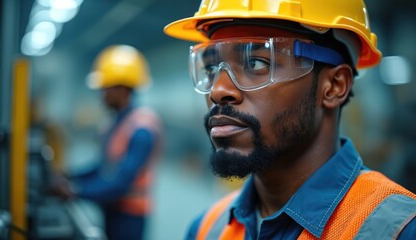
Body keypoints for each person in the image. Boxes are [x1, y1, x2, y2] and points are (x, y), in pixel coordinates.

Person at [164, 0, 416, 239]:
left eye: (256, 62)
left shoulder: (399, 229)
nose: (218, 91)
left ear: (334, 85)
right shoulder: (207, 228)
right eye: (210, 68)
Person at [50, 45, 162, 240]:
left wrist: (74, 191)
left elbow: (121, 182)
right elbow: (104, 167)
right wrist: (69, 177)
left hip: (130, 217)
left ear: (122, 88)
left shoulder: (141, 129)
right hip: (112, 209)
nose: (101, 94)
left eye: (105, 88)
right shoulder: (116, 123)